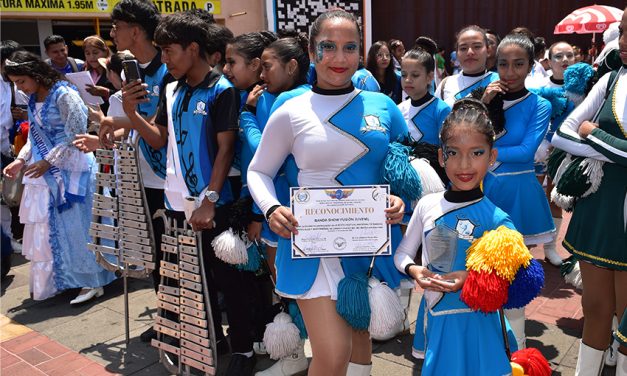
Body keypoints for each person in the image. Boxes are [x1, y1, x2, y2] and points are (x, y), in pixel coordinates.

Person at [247, 10, 407, 376]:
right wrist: (272, 209)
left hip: (364, 246)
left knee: (358, 342)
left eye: (350, 47)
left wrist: (399, 199)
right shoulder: (291, 108)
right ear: (312, 50)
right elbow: (259, 170)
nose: (339, 58)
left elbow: (403, 165)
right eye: (328, 47)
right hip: (310, 246)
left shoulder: (382, 105)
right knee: (333, 354)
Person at [122, 12, 259, 375]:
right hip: (177, 205)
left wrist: (210, 202)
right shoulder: (171, 87)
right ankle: (210, 340)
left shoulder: (222, 90)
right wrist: (131, 113)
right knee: (192, 280)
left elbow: (226, 149)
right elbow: (159, 138)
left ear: (193, 48)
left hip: (216, 205)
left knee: (228, 281)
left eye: (169, 51)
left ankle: (243, 349)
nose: (164, 59)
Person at [395, 98, 515, 375]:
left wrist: (468, 278)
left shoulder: (498, 219)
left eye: (476, 153)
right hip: (436, 317)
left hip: (480, 323)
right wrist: (415, 270)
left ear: (492, 157)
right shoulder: (427, 205)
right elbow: (402, 254)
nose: (464, 164)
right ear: (441, 156)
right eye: (453, 153)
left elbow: (514, 279)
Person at [2, 51, 115, 303]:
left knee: (82, 226)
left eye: (21, 81)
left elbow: (75, 136)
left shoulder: (65, 94)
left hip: (75, 170)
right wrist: (20, 160)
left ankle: (92, 281)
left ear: (34, 75)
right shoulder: (32, 99)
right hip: (48, 172)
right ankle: (68, 278)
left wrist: (46, 161)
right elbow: (34, 136)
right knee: (60, 229)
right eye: (15, 83)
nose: (19, 88)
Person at [551, 8, 627, 374]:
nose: (625, 43)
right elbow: (562, 133)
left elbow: (580, 131)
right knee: (596, 310)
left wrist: (593, 133)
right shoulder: (610, 79)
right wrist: (614, 151)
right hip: (598, 206)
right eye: (623, 32)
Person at [239, 35, 312, 376]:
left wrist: (248, 117)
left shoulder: (289, 100)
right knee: (290, 287)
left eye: (266, 66)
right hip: (283, 208)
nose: (260, 73)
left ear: (292, 66)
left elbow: (263, 152)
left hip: (288, 212)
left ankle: (297, 355)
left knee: (291, 286)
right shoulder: (285, 95)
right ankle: (297, 352)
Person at [480, 34, 555, 350]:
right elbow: (462, 135)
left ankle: (517, 348)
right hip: (483, 192)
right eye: (503, 64)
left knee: (514, 274)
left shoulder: (540, 104)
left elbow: (527, 151)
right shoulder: (482, 98)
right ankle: (487, 342)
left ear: (530, 65)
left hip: (520, 196)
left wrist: (484, 151)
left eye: (518, 64)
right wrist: (482, 105)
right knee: (482, 268)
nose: (509, 72)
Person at [103, 0, 170, 343]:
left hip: (171, 180)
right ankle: (166, 318)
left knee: (176, 257)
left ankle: (188, 324)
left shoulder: (169, 68)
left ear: (136, 30)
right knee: (155, 256)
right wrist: (115, 124)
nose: (112, 33)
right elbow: (138, 119)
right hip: (142, 175)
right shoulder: (134, 69)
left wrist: (116, 119)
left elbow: (160, 127)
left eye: (116, 26)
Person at [532, 41, 576, 267]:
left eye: (570, 55)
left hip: (564, 154)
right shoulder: (537, 86)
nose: (565, 60)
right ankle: (525, 244)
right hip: (538, 154)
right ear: (548, 61)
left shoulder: (580, 89)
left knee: (555, 199)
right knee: (532, 196)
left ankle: (550, 248)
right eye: (559, 56)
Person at [398, 47, 450, 146]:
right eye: (404, 75)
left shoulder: (441, 110)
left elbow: (447, 149)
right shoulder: (399, 109)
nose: (408, 80)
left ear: (429, 77)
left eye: (415, 75)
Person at [435, 25, 498, 107]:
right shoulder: (446, 84)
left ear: (488, 51)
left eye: (477, 47)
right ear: (457, 54)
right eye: (463, 48)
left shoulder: (498, 82)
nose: (470, 52)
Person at [81, 35, 115, 113]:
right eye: (87, 53)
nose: (92, 57)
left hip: (111, 118)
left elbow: (123, 95)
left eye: (95, 53)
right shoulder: (84, 71)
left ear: (106, 52)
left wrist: (107, 92)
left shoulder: (114, 70)